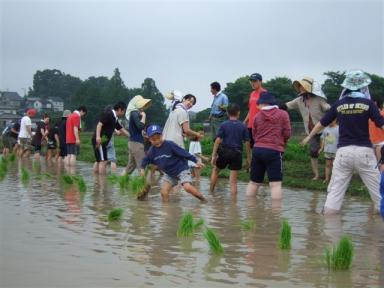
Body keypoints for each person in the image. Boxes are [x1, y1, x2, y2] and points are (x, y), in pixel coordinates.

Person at [302, 70, 383, 215]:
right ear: (363, 87)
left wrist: (309, 137)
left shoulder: (339, 104)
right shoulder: (368, 103)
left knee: (334, 193)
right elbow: (381, 124)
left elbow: (321, 123)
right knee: (379, 192)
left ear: (346, 87)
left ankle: (329, 231)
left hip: (343, 153)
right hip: (364, 152)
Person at [280, 76, 330, 180]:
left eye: (302, 86)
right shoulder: (298, 101)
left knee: (329, 152)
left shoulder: (319, 99)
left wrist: (330, 108)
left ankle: (329, 174)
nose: (300, 88)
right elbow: (286, 106)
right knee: (313, 151)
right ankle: (316, 175)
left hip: (324, 130)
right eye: (299, 86)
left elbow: (327, 108)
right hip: (311, 131)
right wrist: (272, 106)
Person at [140, 125, 207, 202]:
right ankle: (167, 210)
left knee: (187, 187)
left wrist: (196, 161)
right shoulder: (152, 151)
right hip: (170, 174)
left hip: (182, 170)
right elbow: (145, 160)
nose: (157, 141)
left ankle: (203, 199)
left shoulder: (169, 144)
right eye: (153, 139)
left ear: (162, 135)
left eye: (158, 138)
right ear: (149, 139)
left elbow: (184, 153)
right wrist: (142, 168)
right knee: (163, 192)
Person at [246, 92, 291, 200]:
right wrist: (282, 141)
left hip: (257, 150)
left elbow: (254, 134)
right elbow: (287, 133)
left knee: (253, 182)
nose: (258, 106)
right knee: (275, 184)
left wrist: (260, 143)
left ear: (262, 104)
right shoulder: (283, 114)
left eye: (259, 104)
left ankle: (250, 211)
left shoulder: (257, 116)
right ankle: (275, 215)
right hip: (274, 151)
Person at [210, 103, 251, 194]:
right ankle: (233, 206)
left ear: (227, 113)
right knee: (233, 182)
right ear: (238, 113)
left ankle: (211, 193)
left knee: (216, 170)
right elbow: (247, 142)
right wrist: (249, 158)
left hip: (224, 152)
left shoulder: (224, 125)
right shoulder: (243, 126)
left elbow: (218, 140)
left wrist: (213, 155)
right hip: (237, 153)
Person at [93, 102, 129, 174]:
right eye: (124, 111)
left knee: (100, 160)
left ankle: (97, 180)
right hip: (101, 140)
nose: (123, 113)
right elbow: (99, 125)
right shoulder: (109, 114)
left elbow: (121, 128)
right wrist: (98, 137)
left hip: (103, 140)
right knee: (103, 161)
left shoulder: (114, 118)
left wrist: (130, 136)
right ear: (119, 110)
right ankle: (102, 181)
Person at [124, 95, 152, 175]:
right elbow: (140, 126)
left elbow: (137, 129)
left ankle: (120, 182)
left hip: (132, 142)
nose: (143, 107)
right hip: (136, 143)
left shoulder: (134, 114)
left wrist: (143, 133)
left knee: (130, 167)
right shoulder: (134, 113)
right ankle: (144, 186)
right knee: (143, 166)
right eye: (142, 105)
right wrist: (144, 116)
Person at [243, 73, 267, 148]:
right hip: (250, 125)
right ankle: (250, 159)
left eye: (254, 81)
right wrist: (245, 121)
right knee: (250, 145)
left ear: (260, 81)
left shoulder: (265, 93)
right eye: (251, 81)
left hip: (260, 125)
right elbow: (251, 110)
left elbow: (267, 111)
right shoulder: (252, 93)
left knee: (260, 146)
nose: (252, 83)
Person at [369, 99, 384, 163]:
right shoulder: (368, 115)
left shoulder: (382, 113)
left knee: (380, 163)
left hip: (380, 142)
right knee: (372, 164)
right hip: (371, 142)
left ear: (375, 103)